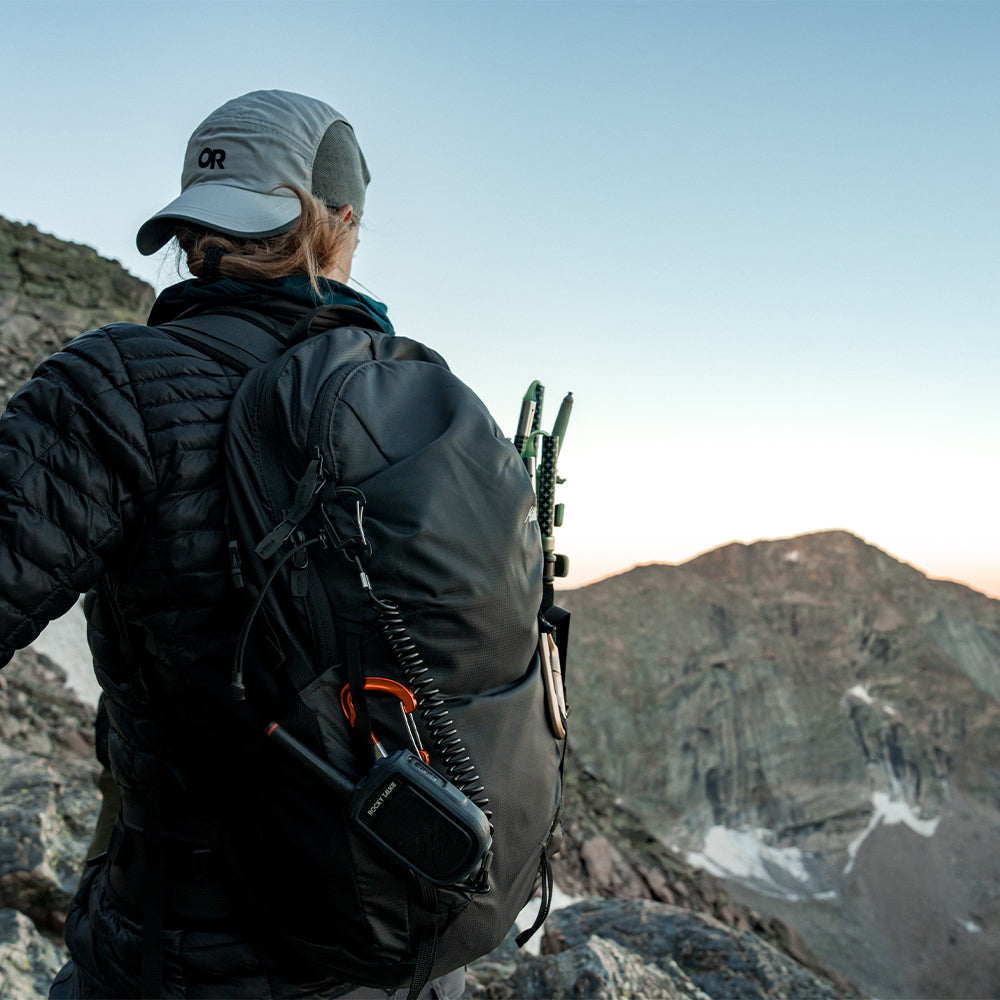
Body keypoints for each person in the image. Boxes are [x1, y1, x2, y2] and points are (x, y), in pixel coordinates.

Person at [0, 89, 465, 1000]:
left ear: (196, 227)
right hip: (407, 943)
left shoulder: (115, 382)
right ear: (340, 227)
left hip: (189, 958)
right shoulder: (427, 397)